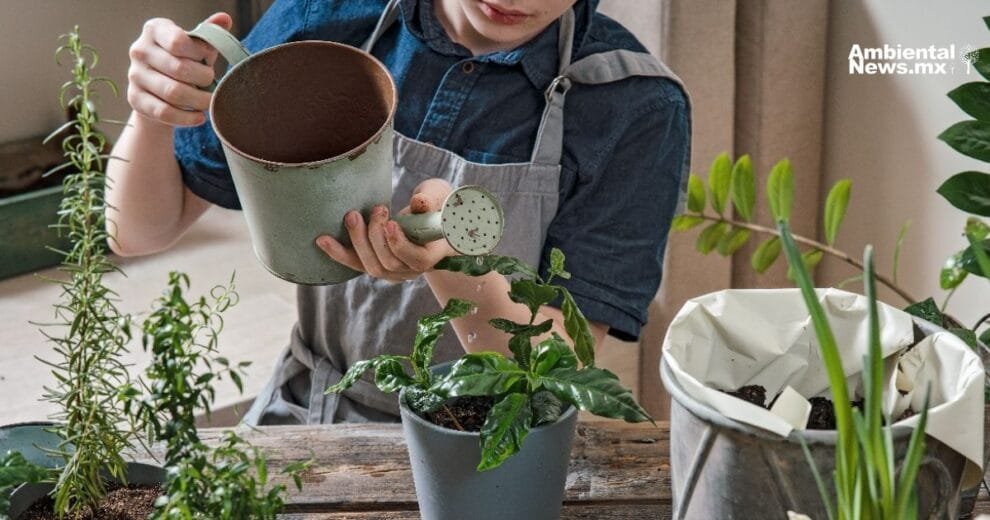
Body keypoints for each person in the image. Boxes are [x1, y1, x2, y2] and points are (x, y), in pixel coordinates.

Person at [108, 0, 691, 425]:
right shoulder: (326, 19)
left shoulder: (633, 105)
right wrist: (153, 108)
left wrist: (452, 262)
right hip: (309, 416)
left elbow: (556, 376)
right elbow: (138, 230)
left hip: (484, 453)